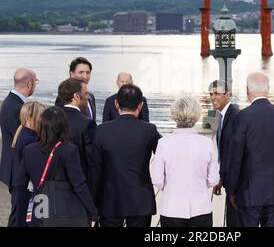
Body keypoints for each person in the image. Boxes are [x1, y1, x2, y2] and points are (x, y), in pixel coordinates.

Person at [227, 73, 274, 227]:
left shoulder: (242, 117)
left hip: (249, 192)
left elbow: (236, 158)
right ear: (268, 89)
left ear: (247, 90)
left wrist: (232, 189)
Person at [90, 84, 161, 227]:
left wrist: (91, 203)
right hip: (140, 199)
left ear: (116, 103)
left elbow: (95, 170)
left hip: (109, 198)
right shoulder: (149, 130)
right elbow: (165, 153)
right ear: (140, 105)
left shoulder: (101, 130)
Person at [17, 106, 98, 227]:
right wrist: (92, 212)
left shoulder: (29, 150)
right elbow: (79, 185)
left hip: (40, 207)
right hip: (62, 209)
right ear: (63, 126)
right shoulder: (69, 150)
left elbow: (21, 183)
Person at [151, 96, 220, 227]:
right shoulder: (207, 143)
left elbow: (157, 180)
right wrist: (198, 186)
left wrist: (172, 187)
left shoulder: (164, 143)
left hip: (172, 208)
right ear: (196, 115)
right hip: (201, 208)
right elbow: (214, 179)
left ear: (174, 115)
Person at [0, 67, 38, 227]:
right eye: (36, 82)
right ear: (29, 83)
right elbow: (21, 141)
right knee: (18, 217)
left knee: (19, 215)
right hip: (17, 170)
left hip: (14, 168)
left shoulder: (12, 102)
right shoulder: (16, 107)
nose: (35, 85)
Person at [10, 101, 46, 227]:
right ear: (32, 118)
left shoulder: (23, 133)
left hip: (21, 186)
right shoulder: (31, 140)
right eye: (42, 117)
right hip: (27, 188)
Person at [209, 80, 239, 227]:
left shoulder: (235, 117)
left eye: (216, 93)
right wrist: (221, 177)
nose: (212, 97)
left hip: (237, 185)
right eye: (210, 94)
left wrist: (233, 189)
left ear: (227, 95)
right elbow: (225, 152)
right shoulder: (220, 115)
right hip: (228, 179)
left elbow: (235, 155)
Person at [58, 78, 97, 180]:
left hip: (55, 180)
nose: (88, 97)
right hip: (79, 178)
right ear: (76, 96)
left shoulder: (52, 119)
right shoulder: (87, 123)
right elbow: (92, 159)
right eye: (86, 93)